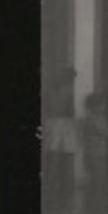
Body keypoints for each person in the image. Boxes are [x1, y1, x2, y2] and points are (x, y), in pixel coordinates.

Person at [43, 66, 79, 196]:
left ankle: (51, 186)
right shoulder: (68, 91)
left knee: (54, 155)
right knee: (62, 155)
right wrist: (75, 128)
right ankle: (56, 187)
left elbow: (46, 108)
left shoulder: (49, 90)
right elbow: (71, 112)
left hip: (52, 122)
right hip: (62, 123)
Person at [79, 91, 108, 206]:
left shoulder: (93, 118)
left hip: (95, 153)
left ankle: (93, 203)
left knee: (96, 180)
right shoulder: (94, 119)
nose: (103, 107)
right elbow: (105, 133)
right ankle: (95, 203)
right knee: (98, 181)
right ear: (93, 106)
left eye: (103, 104)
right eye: (101, 105)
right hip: (95, 155)